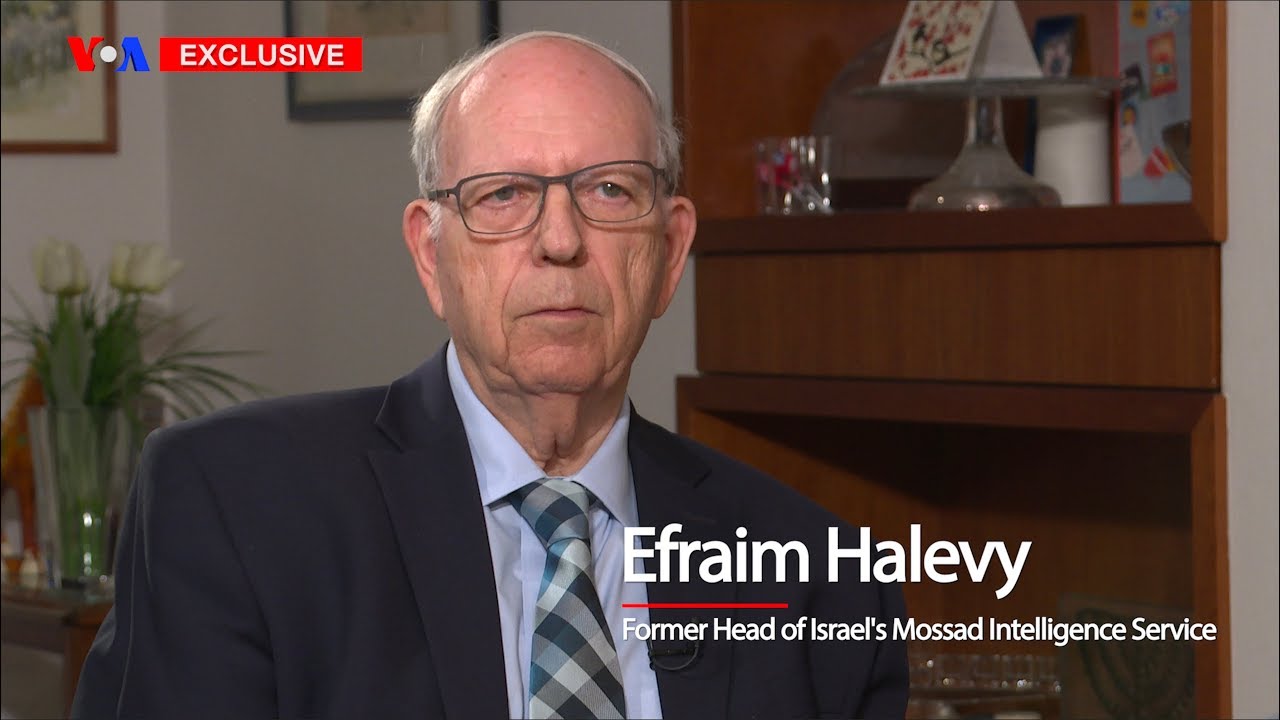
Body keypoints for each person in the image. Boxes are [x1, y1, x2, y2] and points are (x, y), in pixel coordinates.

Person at [71, 31, 907, 719]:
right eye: (503, 194)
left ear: (670, 251)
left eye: (610, 191)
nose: (560, 241)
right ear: (430, 255)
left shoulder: (822, 577)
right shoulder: (235, 505)